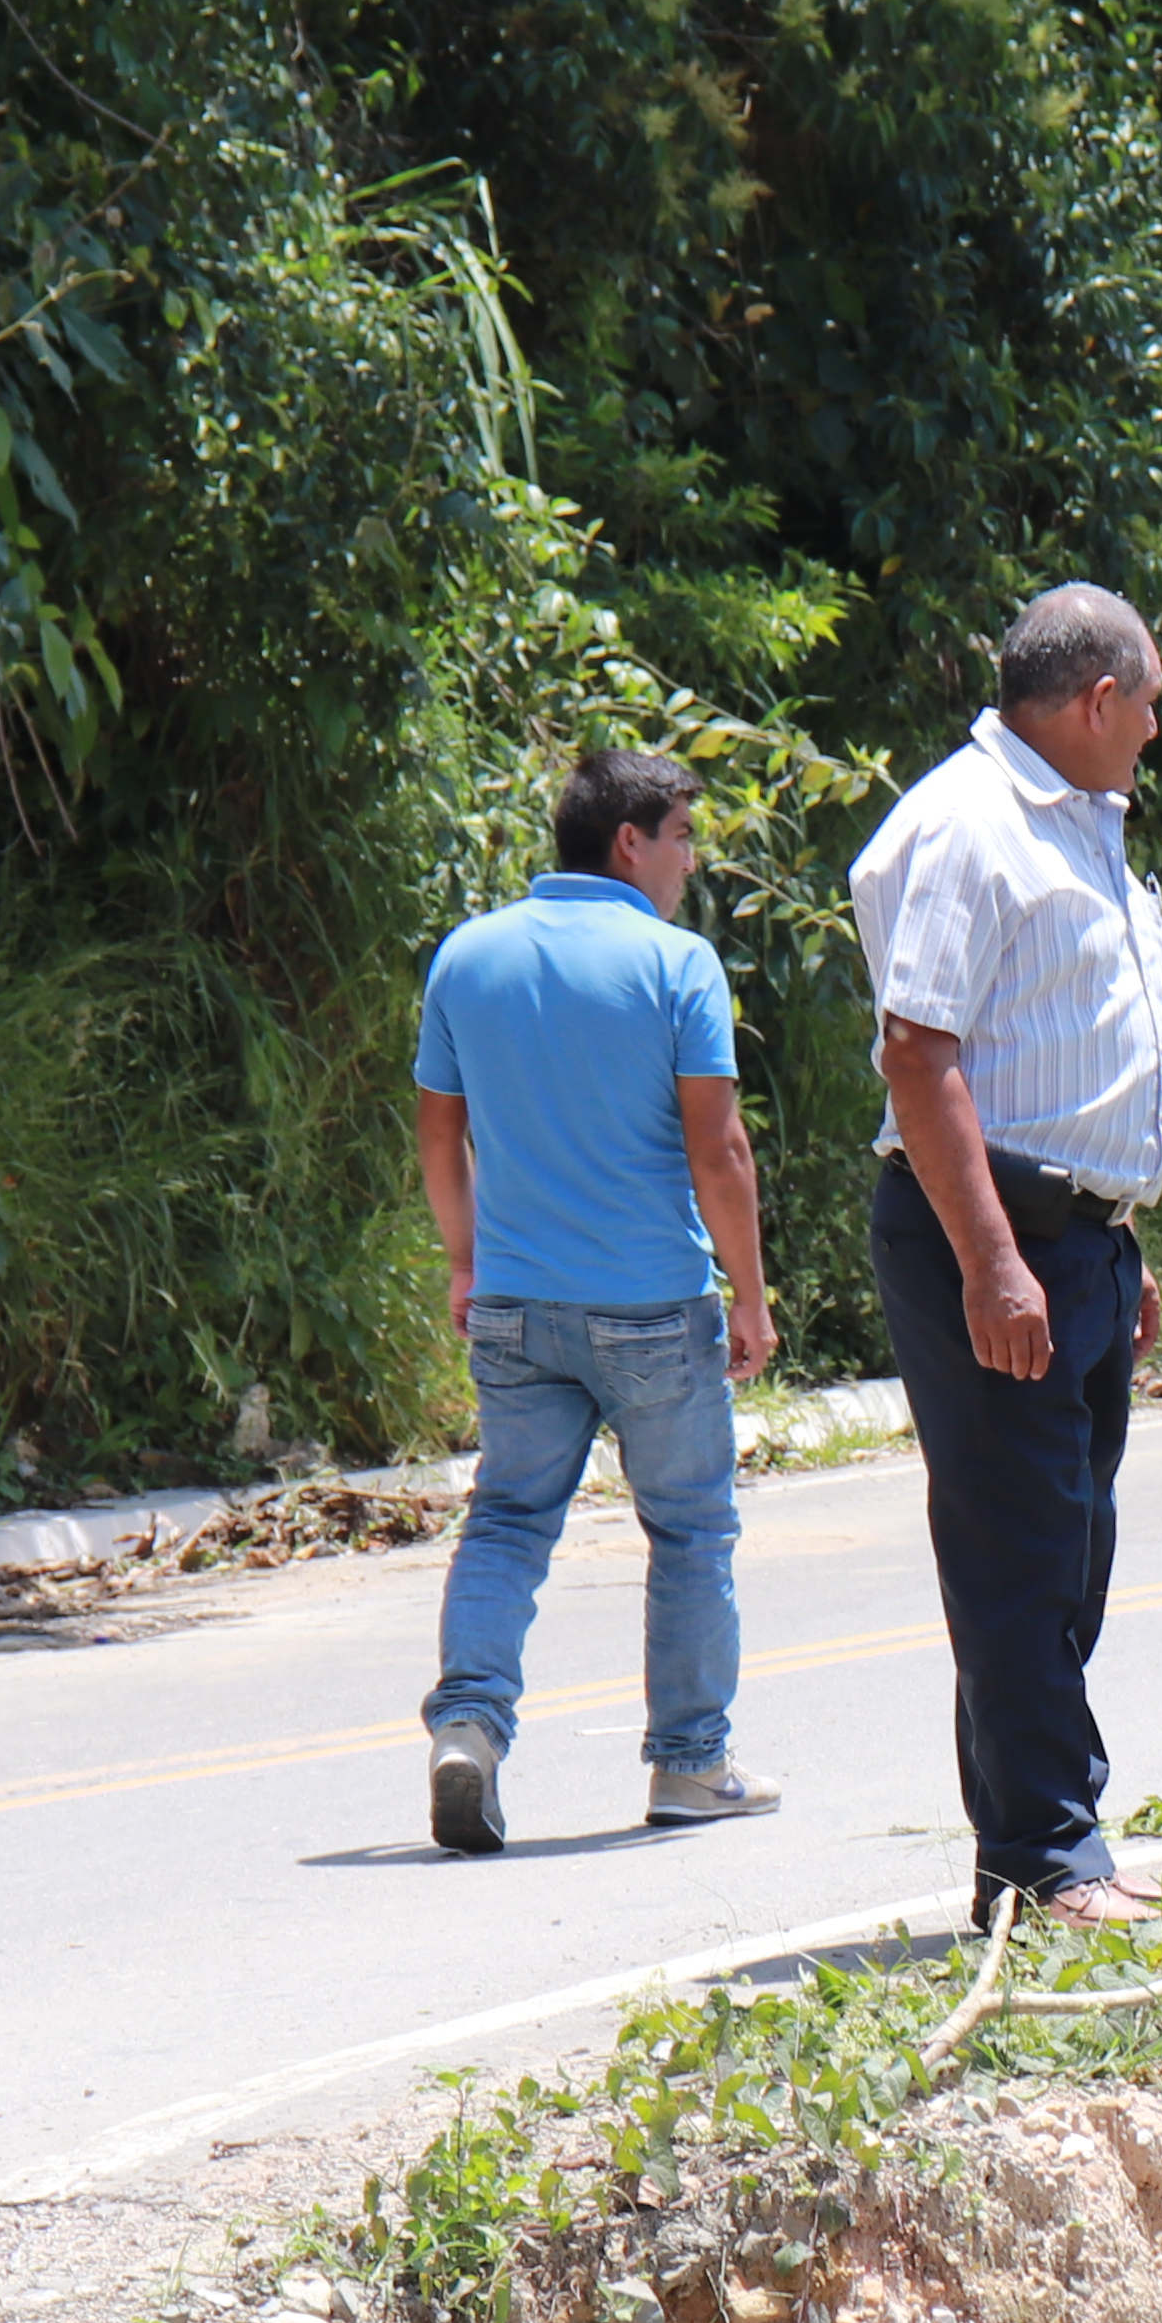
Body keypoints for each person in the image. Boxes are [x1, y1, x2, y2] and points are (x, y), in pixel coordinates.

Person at [854, 583, 1162, 1929]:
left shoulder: (1083, 826)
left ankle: (1023, 1857)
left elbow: (1071, 1047)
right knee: (1019, 1556)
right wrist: (997, 1263)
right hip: (990, 1236)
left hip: (1079, 1241)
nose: (1157, 731)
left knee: (1071, 1550)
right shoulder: (967, 828)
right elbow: (918, 1051)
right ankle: (1057, 1858)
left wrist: (1115, 1235)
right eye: (1150, 704)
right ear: (1096, 700)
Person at [410, 745, 782, 1855]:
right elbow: (719, 1152)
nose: (691, 859)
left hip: (516, 1307)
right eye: (682, 835)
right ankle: (690, 1762)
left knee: (511, 1520)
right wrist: (751, 1299)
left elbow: (440, 1130)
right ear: (631, 840)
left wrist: (465, 1261)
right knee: (689, 1529)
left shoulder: (467, 956)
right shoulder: (677, 964)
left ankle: (468, 1730)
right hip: (653, 1309)